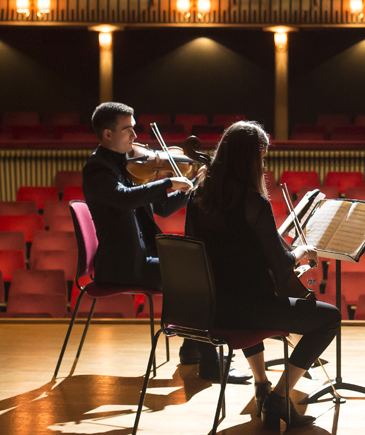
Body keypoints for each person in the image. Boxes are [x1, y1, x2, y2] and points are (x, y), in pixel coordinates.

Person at [185, 121, 341, 430]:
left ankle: (261, 384)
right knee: (328, 319)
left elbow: (197, 249)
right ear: (253, 158)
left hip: (209, 310)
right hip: (248, 311)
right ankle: (279, 397)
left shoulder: (197, 195)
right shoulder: (252, 201)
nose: (264, 163)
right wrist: (301, 252)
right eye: (263, 157)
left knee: (253, 299)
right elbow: (282, 266)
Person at [82, 102, 249, 384]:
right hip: (121, 265)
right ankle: (209, 363)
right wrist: (167, 182)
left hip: (140, 257)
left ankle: (192, 349)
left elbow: (161, 209)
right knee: (199, 278)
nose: (135, 136)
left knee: (199, 271)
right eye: (128, 129)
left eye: (134, 128)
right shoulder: (98, 170)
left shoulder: (128, 166)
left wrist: (193, 185)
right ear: (108, 134)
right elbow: (124, 198)